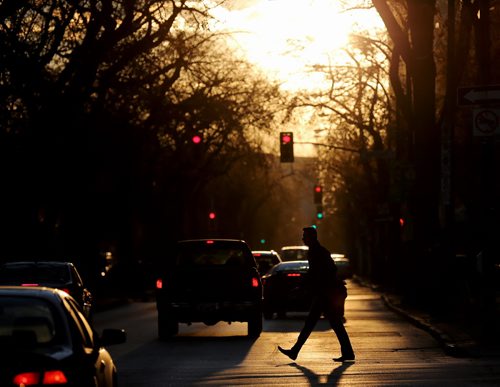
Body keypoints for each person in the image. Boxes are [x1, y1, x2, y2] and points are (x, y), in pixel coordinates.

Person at [278, 226, 355, 362]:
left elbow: (318, 273)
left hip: (325, 294)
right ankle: (295, 351)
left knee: (321, 323)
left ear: (311, 237)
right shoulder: (317, 251)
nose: (302, 239)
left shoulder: (317, 252)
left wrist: (303, 286)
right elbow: (322, 271)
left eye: (305, 236)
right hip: (324, 293)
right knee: (322, 323)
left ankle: (295, 351)